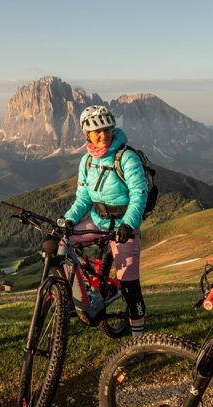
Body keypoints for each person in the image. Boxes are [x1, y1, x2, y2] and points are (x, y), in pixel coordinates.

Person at [62, 105, 148, 338]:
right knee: (61, 242)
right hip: (98, 222)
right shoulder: (87, 161)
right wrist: (69, 220)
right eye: (97, 131)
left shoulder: (126, 157)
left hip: (123, 227)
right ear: (86, 135)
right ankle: (78, 297)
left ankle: (138, 338)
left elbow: (140, 194)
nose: (103, 135)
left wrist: (128, 225)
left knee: (130, 287)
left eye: (107, 129)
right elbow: (83, 198)